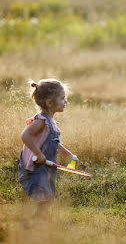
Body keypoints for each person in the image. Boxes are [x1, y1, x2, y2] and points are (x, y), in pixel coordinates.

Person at [18, 79, 77, 217]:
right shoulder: (41, 121)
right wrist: (38, 153)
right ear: (50, 102)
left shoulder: (52, 122)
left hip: (46, 167)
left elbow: (54, 143)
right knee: (44, 198)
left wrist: (69, 155)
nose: (65, 101)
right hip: (35, 168)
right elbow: (25, 135)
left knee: (48, 197)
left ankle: (37, 222)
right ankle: (37, 223)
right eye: (62, 98)